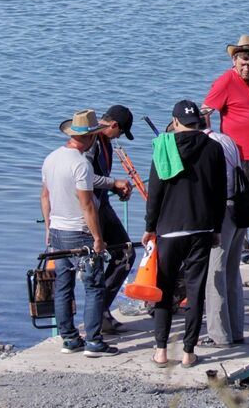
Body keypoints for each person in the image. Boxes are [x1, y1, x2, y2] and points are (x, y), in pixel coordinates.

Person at [143, 100, 227, 369]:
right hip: (201, 227)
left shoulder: (163, 147)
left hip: (168, 229)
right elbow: (218, 192)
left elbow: (154, 193)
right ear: (199, 122)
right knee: (195, 290)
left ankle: (160, 350)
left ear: (175, 122)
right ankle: (189, 352)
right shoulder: (213, 148)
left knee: (164, 290)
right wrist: (216, 228)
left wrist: (149, 226)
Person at [41, 109, 117, 358]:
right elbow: (86, 204)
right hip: (80, 232)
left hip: (57, 231)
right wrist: (97, 238)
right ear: (91, 137)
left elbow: (45, 196)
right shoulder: (81, 164)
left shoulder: (51, 158)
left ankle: (69, 338)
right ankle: (94, 341)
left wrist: (48, 229)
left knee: (64, 285)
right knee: (94, 286)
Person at [204, 35, 249, 265]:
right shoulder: (225, 81)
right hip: (236, 157)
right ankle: (242, 248)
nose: (247, 68)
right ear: (234, 61)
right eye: (243, 63)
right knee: (237, 203)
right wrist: (209, 138)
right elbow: (206, 110)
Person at [90, 105, 136, 336]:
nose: (119, 137)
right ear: (114, 125)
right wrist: (113, 183)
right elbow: (83, 177)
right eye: (120, 132)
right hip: (89, 209)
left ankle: (101, 310)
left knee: (126, 252)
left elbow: (102, 179)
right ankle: (98, 314)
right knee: (95, 262)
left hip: (103, 205)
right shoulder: (90, 140)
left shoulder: (105, 141)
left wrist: (115, 189)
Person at [204, 118, 245, 348]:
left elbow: (210, 186)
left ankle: (219, 335)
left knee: (215, 274)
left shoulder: (206, 146)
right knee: (232, 271)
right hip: (239, 207)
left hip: (222, 212)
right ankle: (236, 329)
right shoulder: (226, 139)